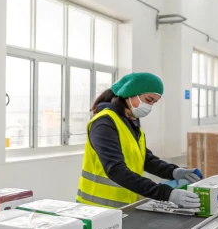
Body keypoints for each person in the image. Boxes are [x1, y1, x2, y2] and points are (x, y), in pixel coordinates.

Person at [76, 72, 204, 210]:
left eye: (154, 102)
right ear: (130, 93)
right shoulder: (104, 123)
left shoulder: (130, 121)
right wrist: (166, 194)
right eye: (148, 100)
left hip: (123, 206)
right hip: (97, 209)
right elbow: (116, 170)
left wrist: (174, 172)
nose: (150, 106)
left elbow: (145, 159)